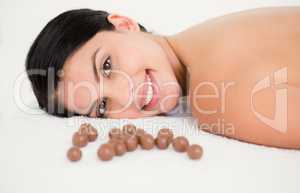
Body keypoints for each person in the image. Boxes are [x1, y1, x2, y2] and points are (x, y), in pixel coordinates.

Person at [26, 7, 300, 149]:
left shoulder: (221, 100)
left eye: (107, 65)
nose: (126, 95)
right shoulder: (212, 33)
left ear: (124, 24)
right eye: (102, 106)